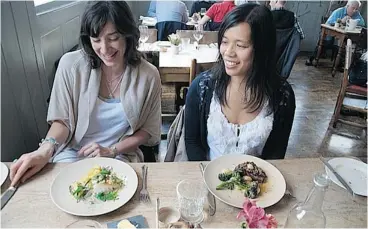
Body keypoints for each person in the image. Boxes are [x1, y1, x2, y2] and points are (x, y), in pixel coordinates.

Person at [9, 1, 161, 186]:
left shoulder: (148, 75)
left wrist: (111, 150)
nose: (104, 49)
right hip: (72, 151)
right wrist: (46, 149)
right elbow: (62, 122)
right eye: (96, 40)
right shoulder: (70, 66)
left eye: (113, 38)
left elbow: (147, 131)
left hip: (119, 155)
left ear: (127, 34)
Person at [184, 3, 295, 161]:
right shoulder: (202, 87)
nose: (228, 52)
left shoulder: (282, 95)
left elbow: (276, 153)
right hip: (207, 175)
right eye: (224, 42)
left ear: (262, 48)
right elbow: (192, 142)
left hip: (256, 181)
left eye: (240, 45)